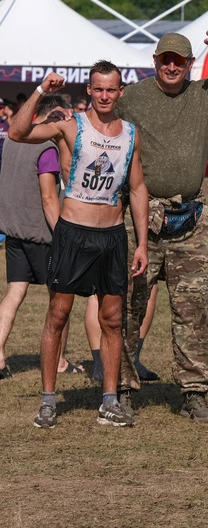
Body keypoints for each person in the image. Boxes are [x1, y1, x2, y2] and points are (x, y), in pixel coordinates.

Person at [116, 28, 208, 422]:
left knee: (194, 309)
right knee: (128, 307)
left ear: (190, 63)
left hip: (191, 220)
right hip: (140, 219)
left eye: (178, 60)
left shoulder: (206, 92)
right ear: (154, 61)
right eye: (165, 59)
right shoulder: (131, 98)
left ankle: (194, 393)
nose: (171, 66)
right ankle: (122, 389)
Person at [8, 66, 149, 428]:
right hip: (73, 233)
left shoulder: (130, 133)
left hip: (112, 236)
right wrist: (41, 90)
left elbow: (137, 188)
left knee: (112, 319)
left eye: (111, 90)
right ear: (89, 90)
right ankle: (48, 401)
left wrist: (142, 243)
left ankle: (109, 401)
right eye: (98, 89)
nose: (104, 96)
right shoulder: (71, 126)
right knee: (58, 314)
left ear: (120, 92)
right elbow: (18, 132)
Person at [0, 94, 78, 380]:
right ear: (54, 115)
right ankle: (59, 361)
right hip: (42, 235)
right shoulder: (46, 147)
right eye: (66, 118)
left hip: (14, 231)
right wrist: (63, 236)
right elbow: (48, 198)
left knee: (14, 293)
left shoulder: (12, 139)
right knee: (61, 298)